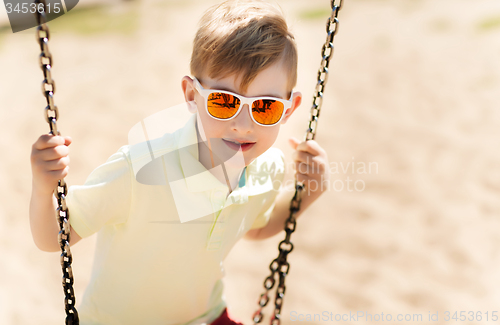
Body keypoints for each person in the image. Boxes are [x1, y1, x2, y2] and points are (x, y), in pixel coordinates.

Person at [29, 0, 330, 324]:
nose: (243, 124)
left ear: (289, 108)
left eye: (265, 107)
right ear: (191, 95)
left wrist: (308, 192)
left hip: (204, 316)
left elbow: (255, 226)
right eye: (224, 101)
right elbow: (52, 238)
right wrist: (43, 186)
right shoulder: (140, 169)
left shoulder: (268, 167)